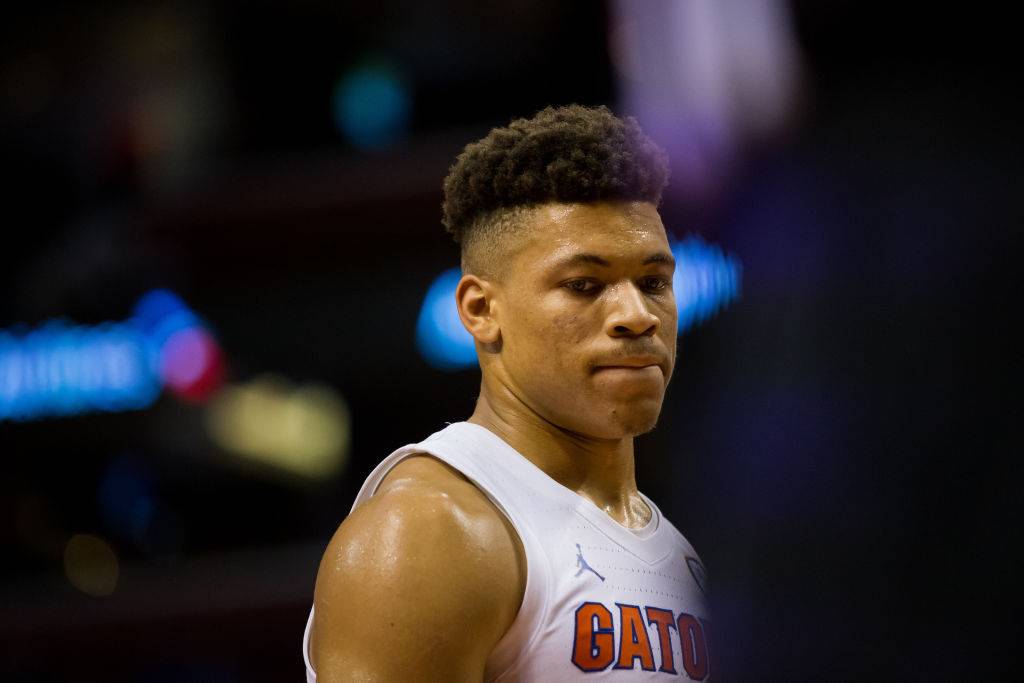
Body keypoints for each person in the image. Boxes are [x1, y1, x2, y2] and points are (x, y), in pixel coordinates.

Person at [303, 104, 712, 681]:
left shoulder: (681, 556)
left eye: (653, 283)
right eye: (584, 285)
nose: (636, 315)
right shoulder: (431, 531)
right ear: (480, 310)